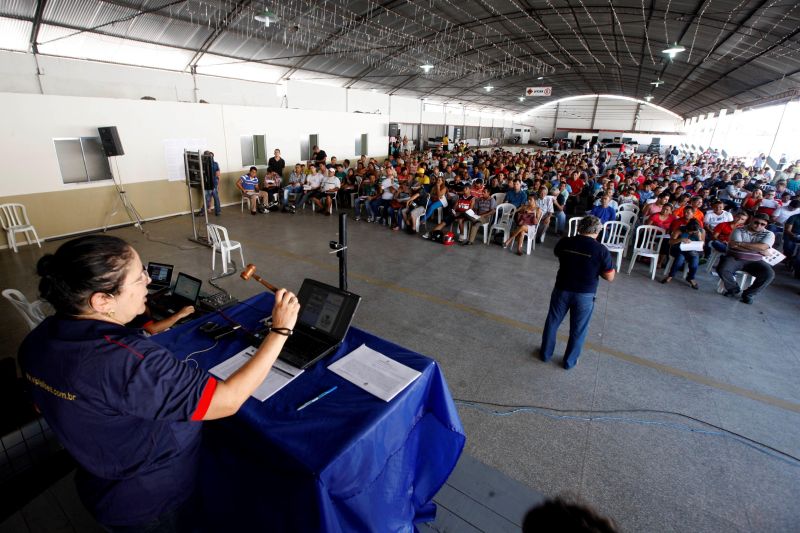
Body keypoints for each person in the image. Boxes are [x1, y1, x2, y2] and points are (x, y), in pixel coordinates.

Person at [18, 235, 300, 531]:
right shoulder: (128, 361)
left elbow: (45, 405)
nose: (149, 279)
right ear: (102, 301)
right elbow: (226, 400)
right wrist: (280, 330)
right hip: (151, 498)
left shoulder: (36, 340)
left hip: (101, 485)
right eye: (139, 277)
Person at [539, 216, 615, 369]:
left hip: (561, 288)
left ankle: (545, 354)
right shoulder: (601, 250)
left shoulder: (565, 242)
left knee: (553, 322)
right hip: (584, 295)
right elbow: (609, 276)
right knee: (578, 329)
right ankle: (569, 361)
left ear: (580, 227)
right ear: (597, 231)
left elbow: (558, 254)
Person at [717, 213, 776, 304]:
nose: (758, 225)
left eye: (762, 224)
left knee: (769, 274)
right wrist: (758, 249)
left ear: (766, 225)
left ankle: (748, 294)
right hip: (735, 258)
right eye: (756, 222)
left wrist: (740, 244)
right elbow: (734, 246)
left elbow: (762, 247)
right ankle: (733, 289)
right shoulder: (739, 230)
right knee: (723, 269)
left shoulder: (769, 234)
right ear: (751, 220)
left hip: (755, 261)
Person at [661, 218, 705, 289]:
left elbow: (702, 245)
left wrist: (699, 238)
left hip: (692, 251)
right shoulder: (680, 230)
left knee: (695, 261)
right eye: (690, 232)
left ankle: (690, 278)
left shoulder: (701, 231)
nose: (691, 233)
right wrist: (681, 239)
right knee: (680, 259)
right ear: (687, 229)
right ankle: (670, 276)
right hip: (679, 249)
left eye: (693, 232)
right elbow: (670, 242)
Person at [200, 150, 220, 217]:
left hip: (213, 184)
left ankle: (216, 211)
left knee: (213, 198)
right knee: (208, 199)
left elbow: (218, 174)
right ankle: (205, 211)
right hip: (207, 184)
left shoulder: (214, 164)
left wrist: (217, 184)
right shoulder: (203, 164)